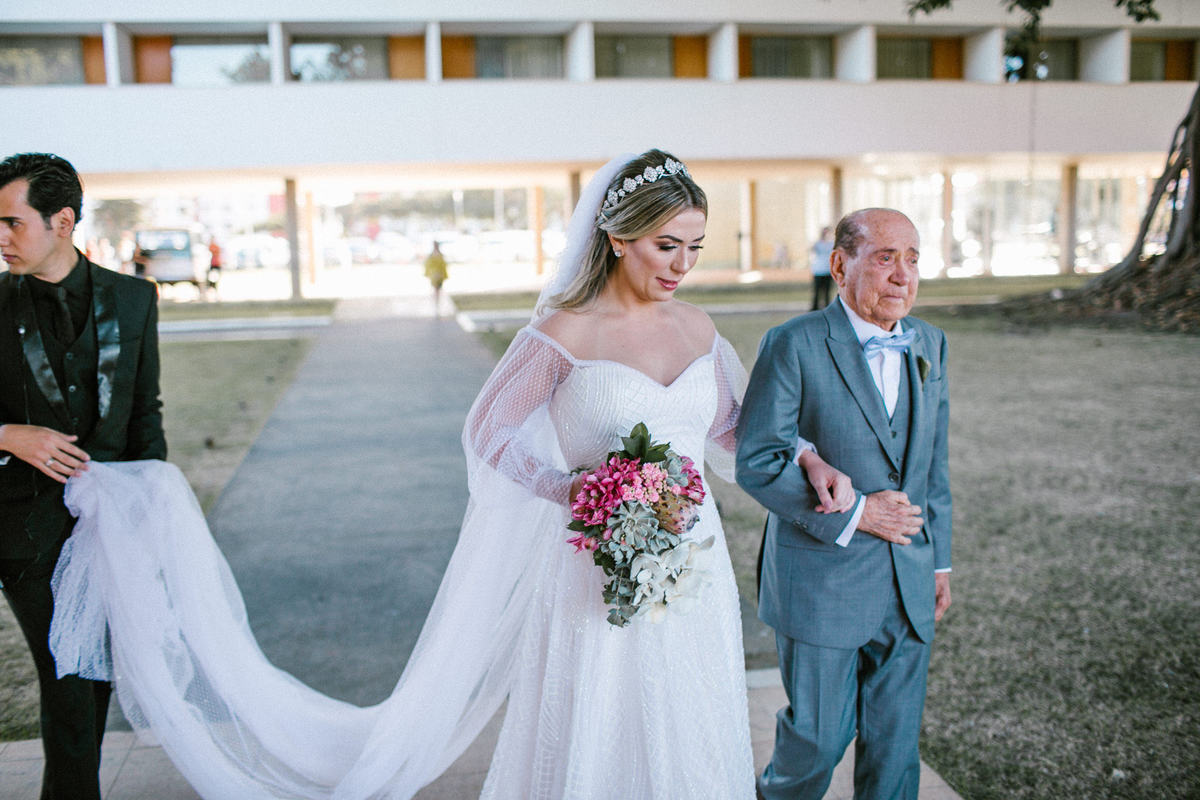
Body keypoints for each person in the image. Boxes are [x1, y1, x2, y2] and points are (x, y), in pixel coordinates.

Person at [47, 151, 854, 800]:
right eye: (665, 245)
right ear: (617, 237)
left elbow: (736, 430)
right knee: (601, 708)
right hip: (596, 558)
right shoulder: (565, 332)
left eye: (694, 247)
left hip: (691, 560)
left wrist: (808, 456)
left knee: (687, 702)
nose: (681, 265)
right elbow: (488, 429)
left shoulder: (700, 327)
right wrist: (569, 489)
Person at [736, 208, 953, 800]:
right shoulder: (793, 343)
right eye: (885, 258)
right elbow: (758, 460)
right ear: (839, 265)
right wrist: (859, 513)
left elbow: (932, 465)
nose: (903, 275)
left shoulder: (930, 343)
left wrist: (938, 561)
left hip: (908, 576)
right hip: (821, 581)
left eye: (912, 260)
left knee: (894, 749)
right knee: (817, 741)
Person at [0, 152, 166, 800]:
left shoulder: (135, 298)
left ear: (62, 221)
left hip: (110, 523)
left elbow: (145, 413)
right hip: (22, 527)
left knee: (92, 672)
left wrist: (152, 512)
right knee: (67, 672)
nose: (1, 238)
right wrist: (8, 435)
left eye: (12, 223)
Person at [809, 225, 834, 310]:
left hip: (828, 271)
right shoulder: (818, 243)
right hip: (818, 271)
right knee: (817, 292)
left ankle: (827, 308)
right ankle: (814, 308)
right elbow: (811, 249)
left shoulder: (832, 244)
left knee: (827, 292)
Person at [423, 241, 448, 317]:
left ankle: (437, 303)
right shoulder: (431, 256)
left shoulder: (440, 255)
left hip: (439, 276)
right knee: (435, 290)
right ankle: (436, 303)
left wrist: (442, 274)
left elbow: (444, 265)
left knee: (438, 290)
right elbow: (428, 265)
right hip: (434, 276)